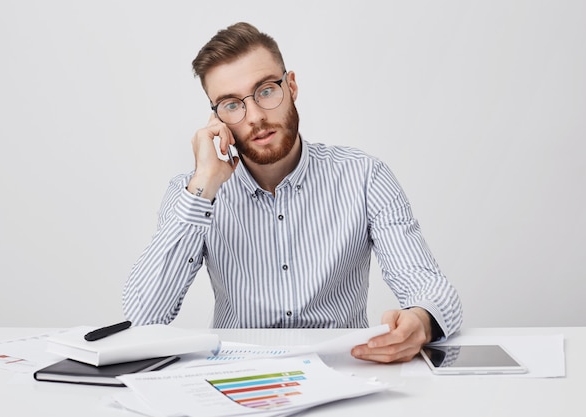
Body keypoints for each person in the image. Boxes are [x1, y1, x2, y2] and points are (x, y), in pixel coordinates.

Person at [122, 22, 463, 364]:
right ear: (216, 118)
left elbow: (429, 286)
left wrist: (421, 321)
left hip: (344, 375)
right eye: (231, 104)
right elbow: (142, 316)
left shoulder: (364, 176)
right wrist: (205, 185)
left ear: (292, 86)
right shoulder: (194, 192)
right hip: (240, 377)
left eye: (266, 90)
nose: (255, 116)